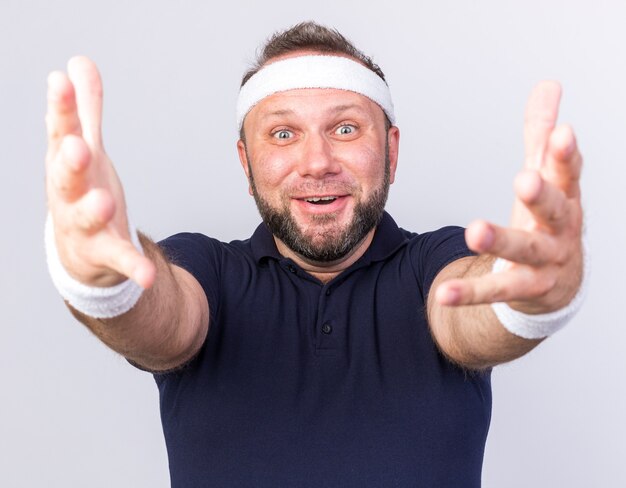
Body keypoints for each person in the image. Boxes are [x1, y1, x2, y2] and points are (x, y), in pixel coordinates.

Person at [44, 22, 585, 487]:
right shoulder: (208, 273)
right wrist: (102, 278)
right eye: (283, 133)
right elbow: (162, 313)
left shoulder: (436, 264)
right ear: (246, 161)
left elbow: (470, 309)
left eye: (345, 128)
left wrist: (529, 294)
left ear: (391, 150)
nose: (317, 161)